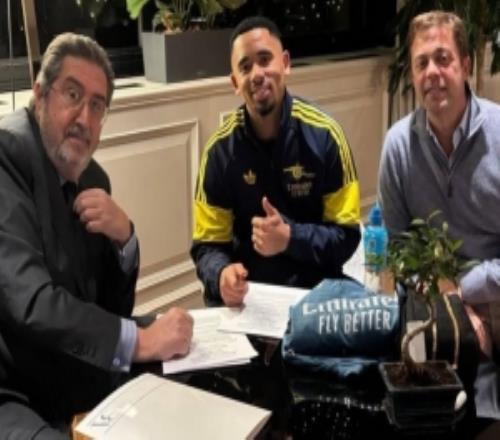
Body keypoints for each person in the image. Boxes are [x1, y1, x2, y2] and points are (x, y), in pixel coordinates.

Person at [0, 33, 193, 438]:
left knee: (190, 368)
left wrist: (124, 239)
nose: (84, 119)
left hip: (68, 364)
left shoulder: (93, 178)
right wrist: (140, 342)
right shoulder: (7, 156)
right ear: (40, 95)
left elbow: (111, 308)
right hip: (13, 386)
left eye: (97, 105)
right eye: (72, 95)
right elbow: (31, 303)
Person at [378, 10, 500, 424]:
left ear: (465, 65)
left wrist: (471, 290)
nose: (432, 72)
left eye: (443, 59)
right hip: (434, 296)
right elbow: (398, 249)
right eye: (421, 63)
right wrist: (451, 305)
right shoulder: (398, 146)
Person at [191, 16, 361, 306]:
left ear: (285, 63)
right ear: (235, 82)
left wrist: (289, 238)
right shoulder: (218, 152)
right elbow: (207, 246)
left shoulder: (326, 136)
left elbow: (346, 236)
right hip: (249, 299)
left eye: (265, 60)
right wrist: (221, 275)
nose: (257, 74)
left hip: (314, 294)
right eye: (245, 67)